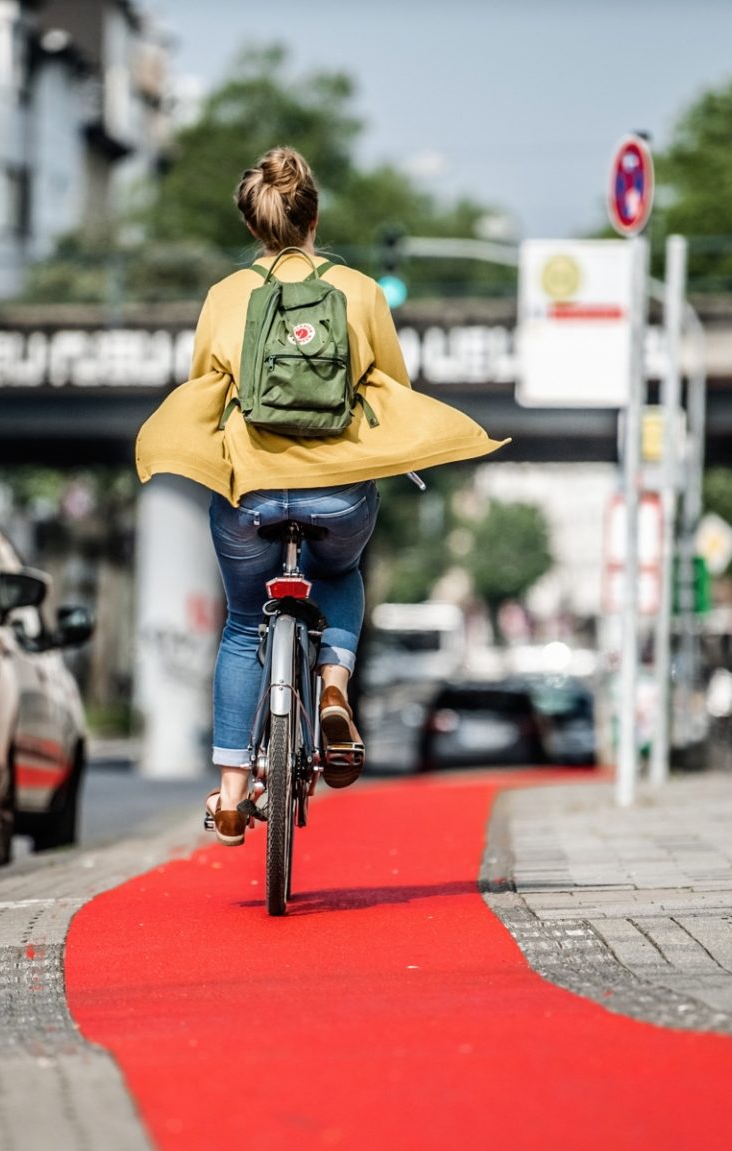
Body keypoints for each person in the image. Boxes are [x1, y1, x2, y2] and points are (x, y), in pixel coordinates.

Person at [135, 146, 505, 845]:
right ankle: (334, 682)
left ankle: (233, 794)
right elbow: (390, 386)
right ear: (314, 216)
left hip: (249, 497)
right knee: (339, 571)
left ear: (254, 225)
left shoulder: (223, 297)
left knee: (246, 625)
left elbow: (206, 394)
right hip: (338, 496)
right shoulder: (360, 291)